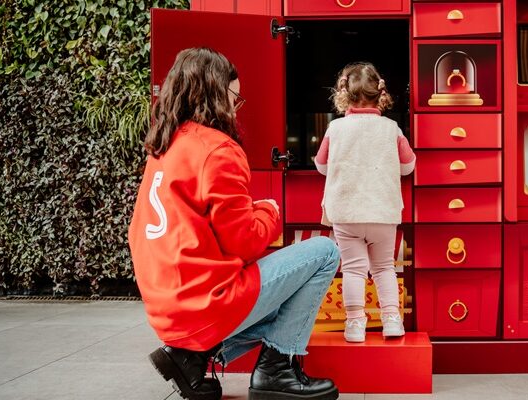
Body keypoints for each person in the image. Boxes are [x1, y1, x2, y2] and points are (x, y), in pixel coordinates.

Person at [128, 47, 340, 400]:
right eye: (234, 99)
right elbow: (245, 242)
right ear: (213, 94)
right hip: (205, 304)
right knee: (324, 252)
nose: (234, 109)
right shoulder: (217, 149)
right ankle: (277, 369)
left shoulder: (163, 148)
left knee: (283, 288)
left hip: (168, 308)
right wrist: (268, 211)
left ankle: (191, 355)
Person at [314, 62, 416, 343]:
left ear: (343, 93)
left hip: (346, 213)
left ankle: (355, 324)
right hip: (383, 212)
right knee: (384, 267)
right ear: (380, 94)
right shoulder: (391, 128)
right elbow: (408, 166)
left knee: (353, 270)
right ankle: (392, 320)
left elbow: (322, 166)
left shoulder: (335, 128)